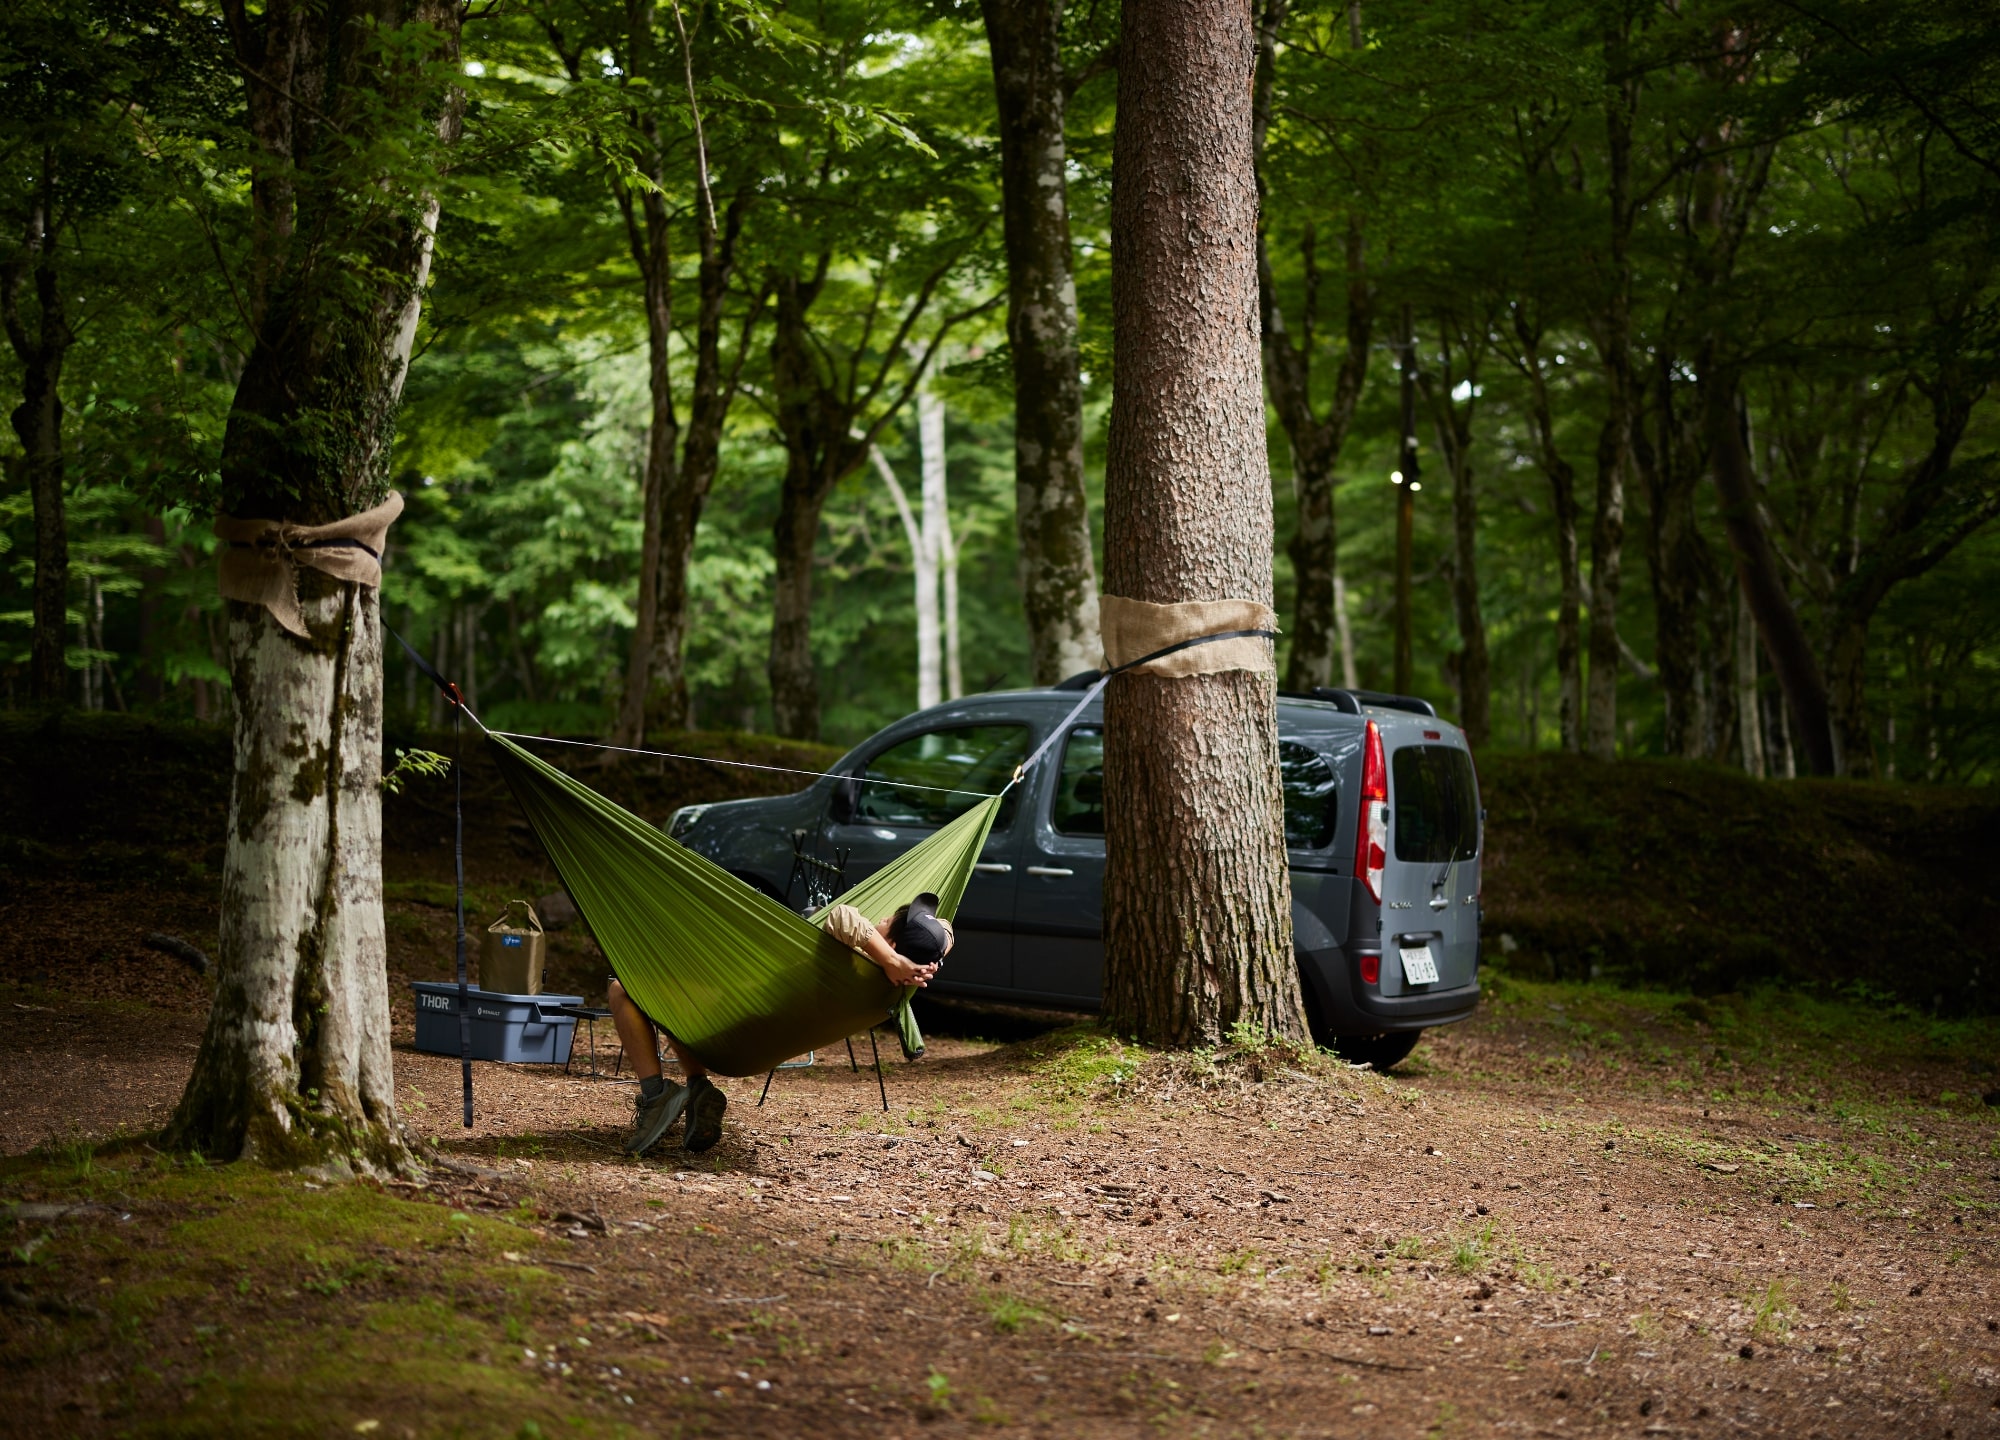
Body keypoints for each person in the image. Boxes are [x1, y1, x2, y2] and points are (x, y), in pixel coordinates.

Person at [610, 891, 954, 1155]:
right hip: (757, 1038)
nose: (877, 919)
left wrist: (892, 959)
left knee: (622, 989)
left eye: (884, 921)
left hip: (733, 1018)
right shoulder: (887, 989)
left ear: (891, 945)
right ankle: (698, 1088)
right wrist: (919, 961)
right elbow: (947, 932)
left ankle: (656, 1095)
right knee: (675, 1004)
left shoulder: (859, 959)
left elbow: (843, 915)